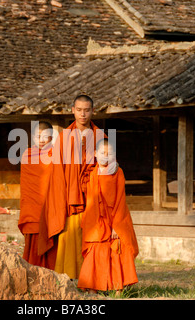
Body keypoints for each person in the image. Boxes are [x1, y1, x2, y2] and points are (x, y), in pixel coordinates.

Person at [53, 94, 114, 279]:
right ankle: (69, 276)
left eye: (87, 110)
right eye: (79, 110)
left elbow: (107, 166)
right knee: (70, 235)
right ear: (73, 110)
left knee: (94, 234)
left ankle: (93, 278)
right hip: (70, 195)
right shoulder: (63, 137)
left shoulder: (100, 136)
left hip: (93, 195)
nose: (82, 114)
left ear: (93, 111)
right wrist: (61, 196)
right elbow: (57, 170)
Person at [77, 138, 139, 293]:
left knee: (117, 251)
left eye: (109, 153)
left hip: (115, 216)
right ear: (96, 154)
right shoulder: (92, 173)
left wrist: (117, 225)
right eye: (102, 153)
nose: (106, 156)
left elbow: (120, 198)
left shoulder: (117, 172)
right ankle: (93, 288)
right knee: (96, 251)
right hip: (96, 219)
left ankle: (118, 289)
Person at [18, 121, 65, 269]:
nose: (42, 140)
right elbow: (27, 184)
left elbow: (59, 179)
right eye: (38, 136)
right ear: (33, 137)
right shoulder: (28, 154)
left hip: (50, 205)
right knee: (33, 242)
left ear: (51, 137)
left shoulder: (56, 154)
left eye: (46, 136)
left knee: (52, 240)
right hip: (32, 206)